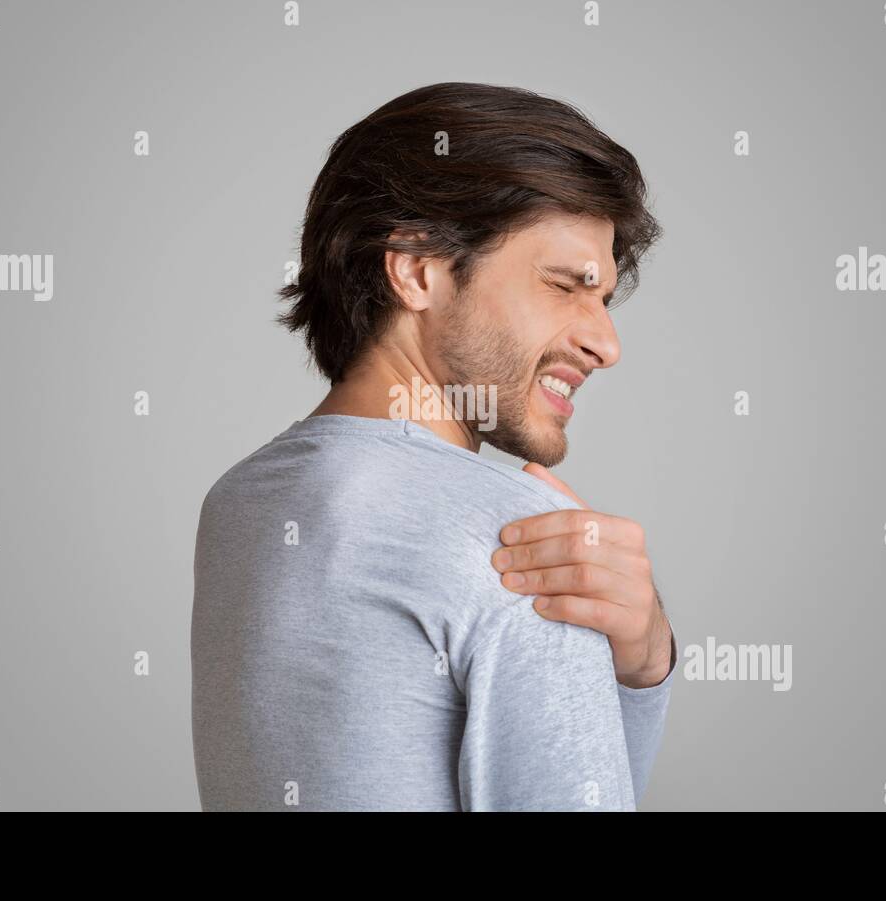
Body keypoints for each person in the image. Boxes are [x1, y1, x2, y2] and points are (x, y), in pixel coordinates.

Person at [192, 82, 676, 811]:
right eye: (564, 285)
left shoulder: (239, 502)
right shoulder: (521, 543)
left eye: (603, 298)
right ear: (419, 271)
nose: (604, 341)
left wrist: (639, 664)